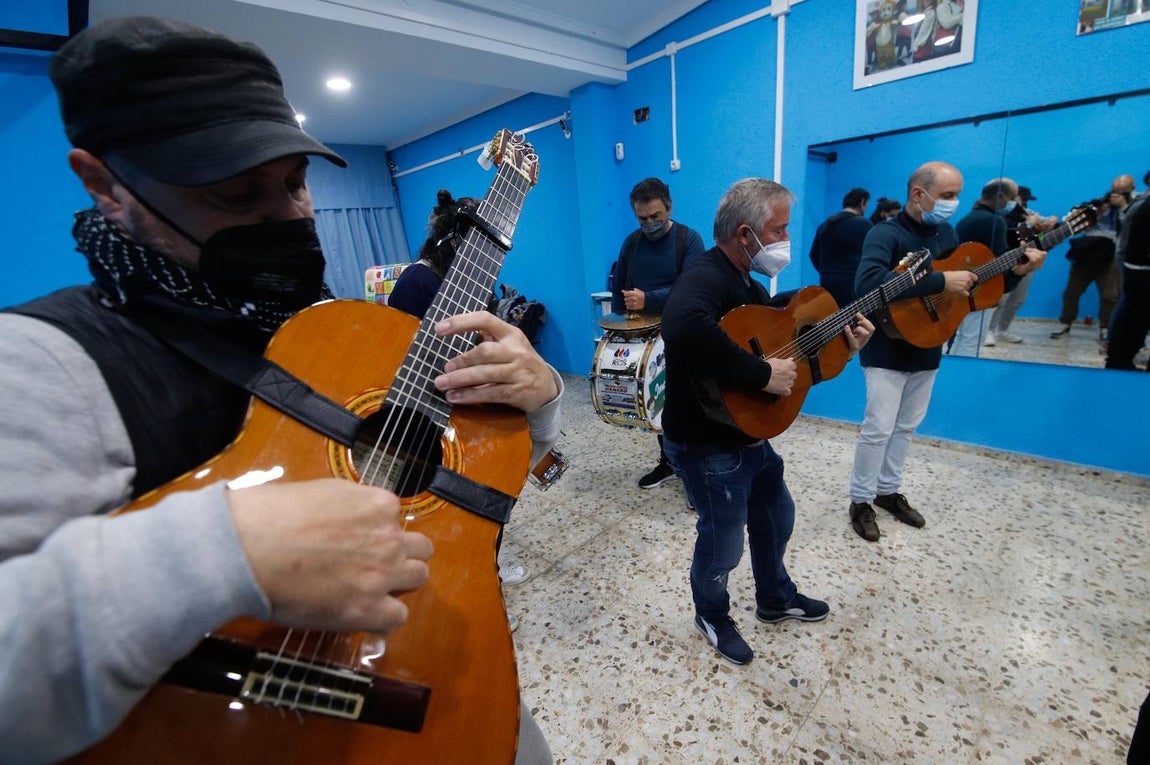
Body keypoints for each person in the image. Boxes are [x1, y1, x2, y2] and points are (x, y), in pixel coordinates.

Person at [0, 17, 560, 763]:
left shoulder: (329, 319)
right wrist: (219, 556)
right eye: (237, 193)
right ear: (106, 185)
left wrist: (542, 394)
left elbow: (475, 476)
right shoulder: (38, 363)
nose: (290, 217)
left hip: (439, 678)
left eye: (296, 182)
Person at [660, 178, 875, 665]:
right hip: (705, 442)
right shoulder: (707, 275)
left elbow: (788, 370)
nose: (783, 239)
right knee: (722, 544)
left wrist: (845, 345)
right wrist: (758, 372)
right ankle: (711, 615)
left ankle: (774, 599)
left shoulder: (749, 287)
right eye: (778, 229)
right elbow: (681, 324)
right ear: (744, 234)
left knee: (776, 514)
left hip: (745, 433)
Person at [847, 161, 1045, 542]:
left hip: (929, 344)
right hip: (888, 347)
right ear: (919, 194)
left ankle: (888, 491)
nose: (954, 203)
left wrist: (1014, 274)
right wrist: (939, 279)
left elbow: (971, 291)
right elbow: (868, 283)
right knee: (878, 428)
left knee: (906, 427)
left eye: (957, 195)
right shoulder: (885, 234)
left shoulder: (946, 232)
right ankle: (860, 501)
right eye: (947, 196)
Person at [609, 177, 705, 490]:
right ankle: (668, 463)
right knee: (657, 405)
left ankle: (695, 477)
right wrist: (619, 328)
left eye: (655, 217)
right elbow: (619, 288)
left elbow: (692, 288)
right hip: (646, 338)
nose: (649, 224)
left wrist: (648, 299)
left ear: (669, 207)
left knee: (688, 408)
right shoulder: (631, 243)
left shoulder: (689, 240)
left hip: (683, 335)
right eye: (642, 218)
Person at [948, 177, 1042, 355]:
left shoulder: (971, 218)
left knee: (961, 337)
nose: (1014, 203)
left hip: (963, 290)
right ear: (1001, 197)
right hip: (981, 292)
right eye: (1013, 197)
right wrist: (1017, 272)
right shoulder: (993, 222)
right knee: (971, 341)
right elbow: (1000, 265)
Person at [1050, 174, 1135, 347]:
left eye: (1121, 192)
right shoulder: (1101, 202)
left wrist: (1123, 207)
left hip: (1112, 254)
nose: (1116, 194)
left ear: (1131, 190)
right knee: (1071, 292)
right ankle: (1065, 322)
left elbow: (1132, 227)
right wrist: (1095, 211)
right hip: (1087, 252)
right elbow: (1076, 223)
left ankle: (1106, 328)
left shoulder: (1136, 206)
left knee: (1110, 296)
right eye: (1114, 191)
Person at [984, 185, 1059, 345]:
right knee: (1001, 299)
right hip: (1006, 260)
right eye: (1020, 199)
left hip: (1026, 259)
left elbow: (1041, 239)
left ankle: (1002, 329)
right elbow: (1007, 234)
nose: (1023, 204)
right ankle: (988, 330)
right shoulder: (1001, 214)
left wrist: (1048, 225)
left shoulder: (1028, 214)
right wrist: (1028, 225)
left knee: (1018, 299)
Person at [1105, 183, 1150, 370]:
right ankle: (1119, 360)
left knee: (1131, 316)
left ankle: (1119, 358)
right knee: (1132, 317)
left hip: (1137, 268)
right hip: (1140, 270)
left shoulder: (1141, 203)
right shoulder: (1142, 205)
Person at [808, 186, 872, 307]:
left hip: (827, 282)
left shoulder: (824, 225)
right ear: (862, 203)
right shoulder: (863, 224)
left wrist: (827, 271)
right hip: (852, 285)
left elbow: (813, 254)